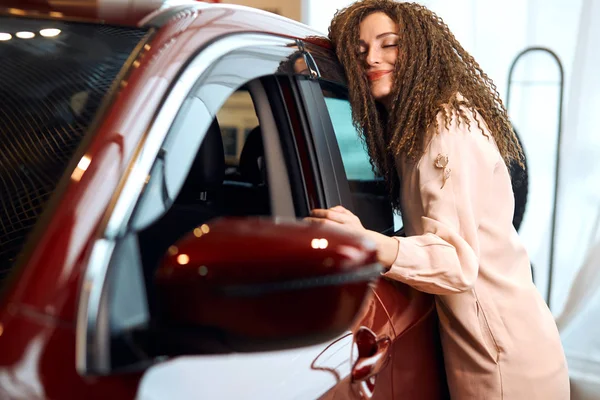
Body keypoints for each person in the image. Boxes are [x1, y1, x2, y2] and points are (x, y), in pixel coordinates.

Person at [306, 1, 570, 398]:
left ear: (420, 51)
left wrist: (367, 241)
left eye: (389, 44)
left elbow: (455, 262)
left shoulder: (444, 128)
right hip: (495, 342)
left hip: (501, 359)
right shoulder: (420, 126)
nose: (372, 59)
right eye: (360, 52)